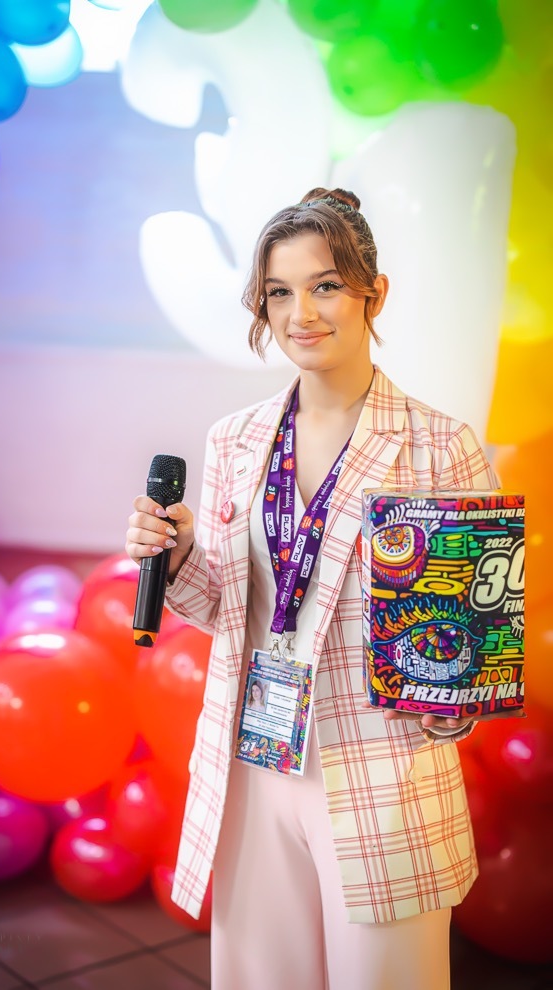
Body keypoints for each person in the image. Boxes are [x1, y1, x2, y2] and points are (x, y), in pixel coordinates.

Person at [126, 188, 511, 990]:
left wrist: (449, 694)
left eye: (325, 285)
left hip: (381, 768)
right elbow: (228, 608)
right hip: (255, 757)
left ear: (374, 293)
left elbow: (469, 654)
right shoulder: (234, 439)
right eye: (278, 291)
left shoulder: (439, 445)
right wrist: (181, 555)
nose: (299, 313)